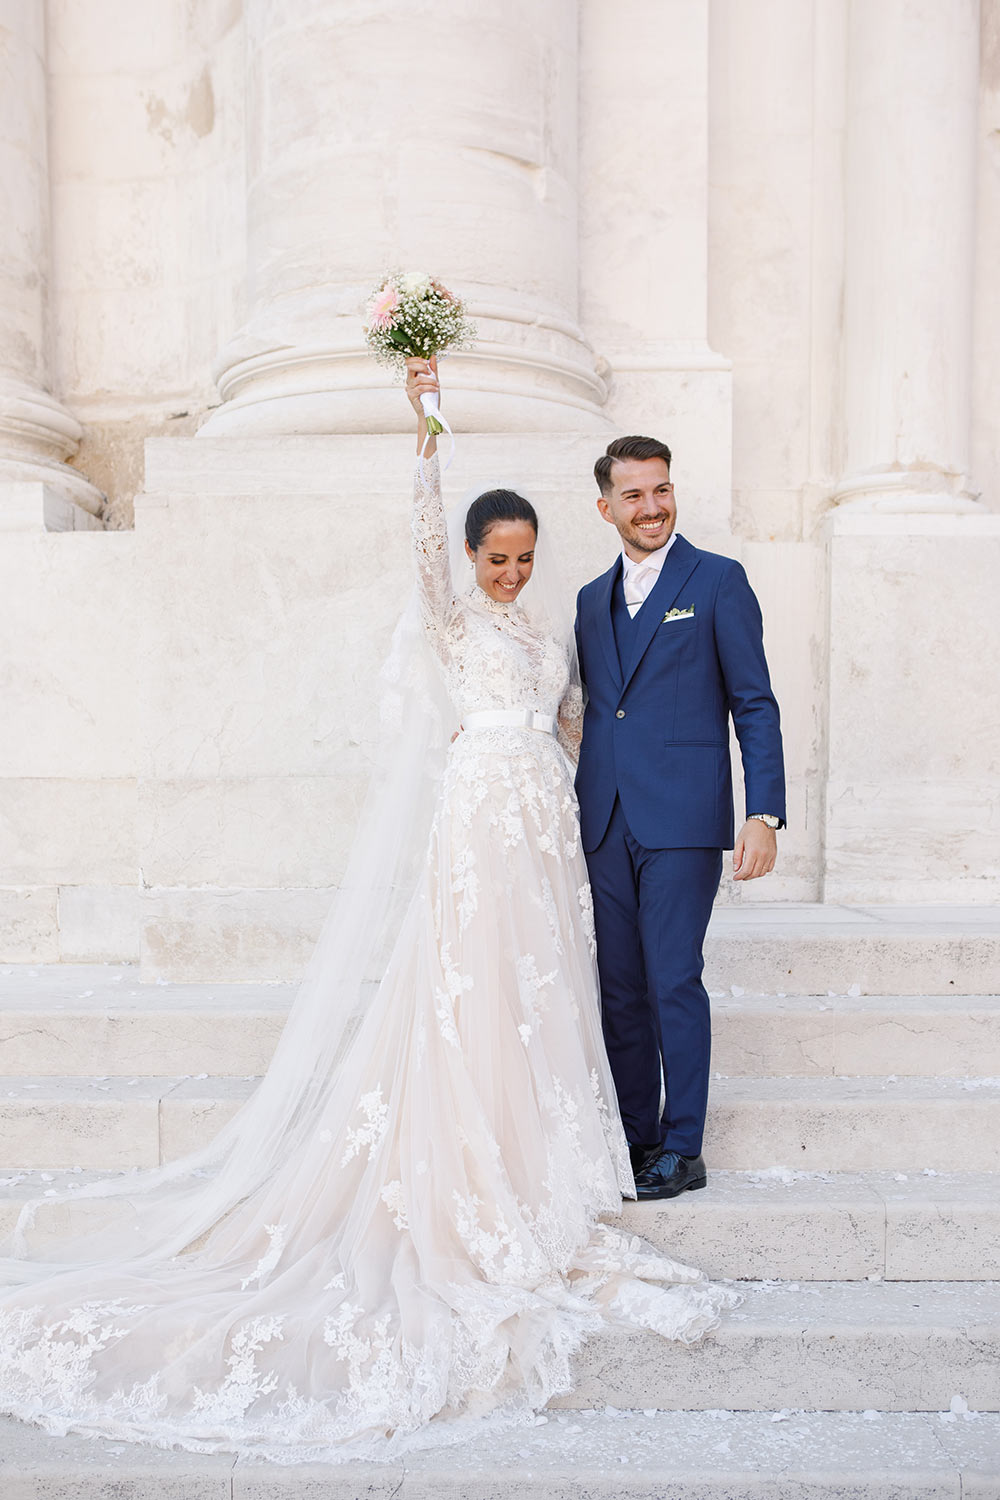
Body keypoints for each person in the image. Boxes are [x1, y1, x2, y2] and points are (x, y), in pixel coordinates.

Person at [0, 370, 733, 1465]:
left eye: (524, 558)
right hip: (479, 831)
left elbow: (578, 726)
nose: (510, 573)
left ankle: (550, 1150)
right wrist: (425, 423)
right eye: (498, 558)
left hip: (545, 832)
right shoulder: (450, 619)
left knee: (544, 993)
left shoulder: (552, 631)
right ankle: (475, 1167)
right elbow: (423, 544)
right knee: (476, 990)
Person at [575, 435, 786, 1201]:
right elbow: (593, 710)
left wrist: (762, 812)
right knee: (619, 986)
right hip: (602, 817)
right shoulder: (588, 600)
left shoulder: (719, 581)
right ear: (607, 507)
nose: (652, 506)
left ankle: (684, 1145)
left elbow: (754, 705)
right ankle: (635, 1139)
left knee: (673, 977)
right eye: (634, 495)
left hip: (685, 820)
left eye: (660, 490)